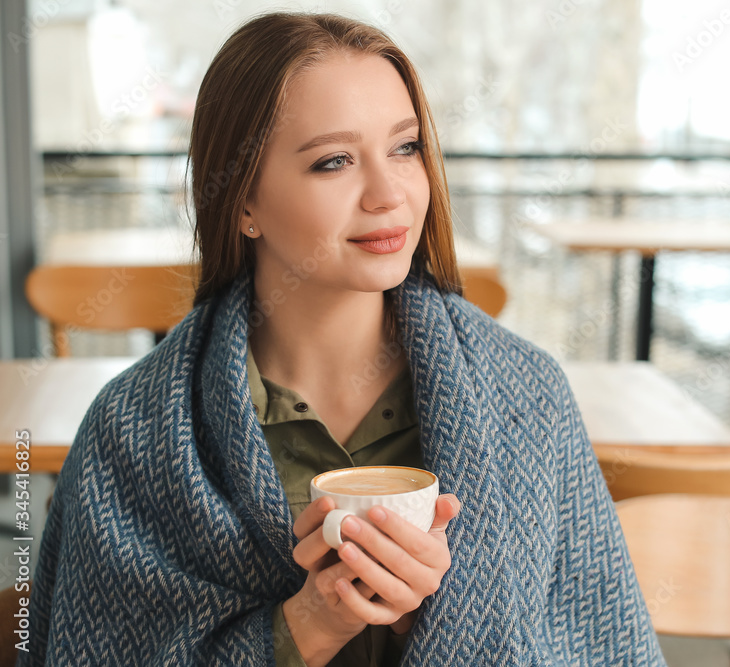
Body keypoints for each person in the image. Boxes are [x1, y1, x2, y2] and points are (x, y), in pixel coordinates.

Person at [21, 12, 665, 667]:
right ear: (243, 202)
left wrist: (436, 622)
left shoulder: (528, 397)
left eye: (406, 148)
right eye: (333, 162)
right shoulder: (132, 431)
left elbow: (604, 648)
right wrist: (308, 624)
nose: (389, 194)